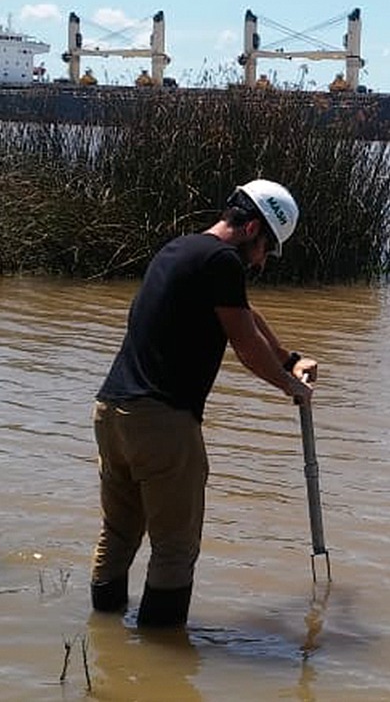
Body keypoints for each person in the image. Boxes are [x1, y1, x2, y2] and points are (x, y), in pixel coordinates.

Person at [89, 178, 319, 628]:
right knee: (175, 549)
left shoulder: (184, 250)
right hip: (162, 423)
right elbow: (246, 346)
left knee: (117, 535)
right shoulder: (223, 262)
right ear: (253, 228)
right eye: (267, 250)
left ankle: (104, 640)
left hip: (112, 413)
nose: (263, 262)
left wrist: (289, 358)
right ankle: (162, 662)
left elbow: (246, 316)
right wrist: (291, 387)